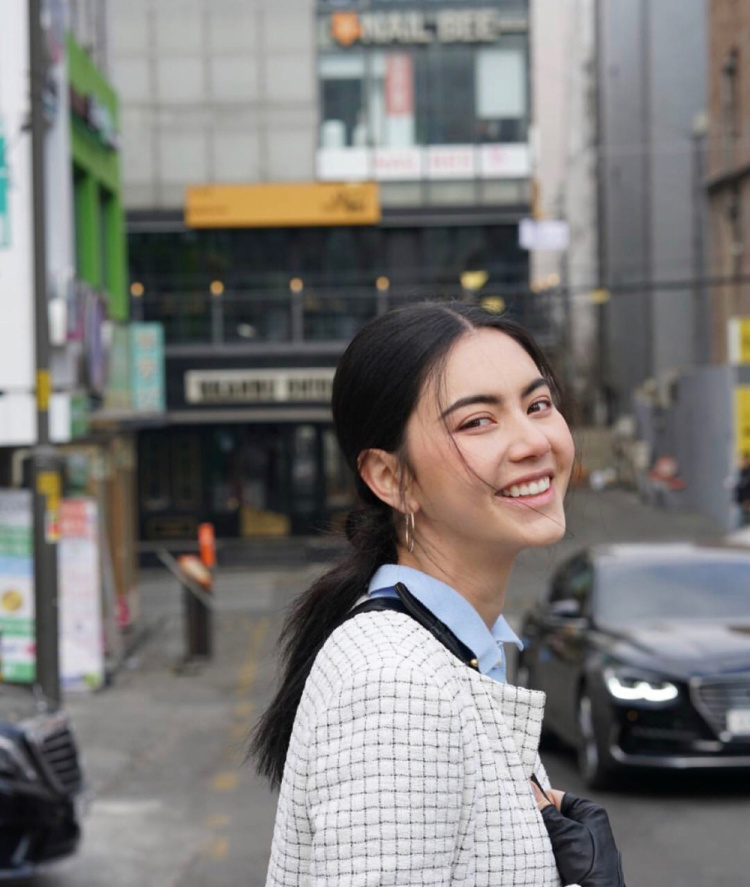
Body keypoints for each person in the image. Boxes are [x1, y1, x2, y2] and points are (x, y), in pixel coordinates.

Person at [252, 302, 625, 887]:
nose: (534, 442)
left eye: (538, 405)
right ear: (390, 478)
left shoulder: (453, 652)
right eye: (477, 421)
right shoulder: (393, 685)